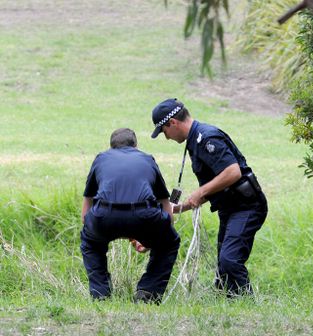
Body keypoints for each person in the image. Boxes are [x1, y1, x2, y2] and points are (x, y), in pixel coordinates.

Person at [150, 98, 268, 296]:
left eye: (164, 132)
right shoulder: (194, 142)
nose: (166, 137)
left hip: (246, 207)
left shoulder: (206, 138)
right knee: (223, 272)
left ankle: (249, 307)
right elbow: (214, 186)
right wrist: (177, 208)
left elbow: (232, 172)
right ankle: (230, 306)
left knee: (230, 261)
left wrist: (201, 192)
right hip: (230, 208)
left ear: (173, 123)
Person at [80, 128, 180, 303]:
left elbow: (87, 203)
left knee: (91, 242)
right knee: (169, 242)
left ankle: (100, 294)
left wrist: (90, 228)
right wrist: (155, 236)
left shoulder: (101, 159)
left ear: (111, 147)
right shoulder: (147, 159)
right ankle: (148, 293)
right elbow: (165, 205)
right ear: (136, 146)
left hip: (104, 214)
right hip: (144, 214)